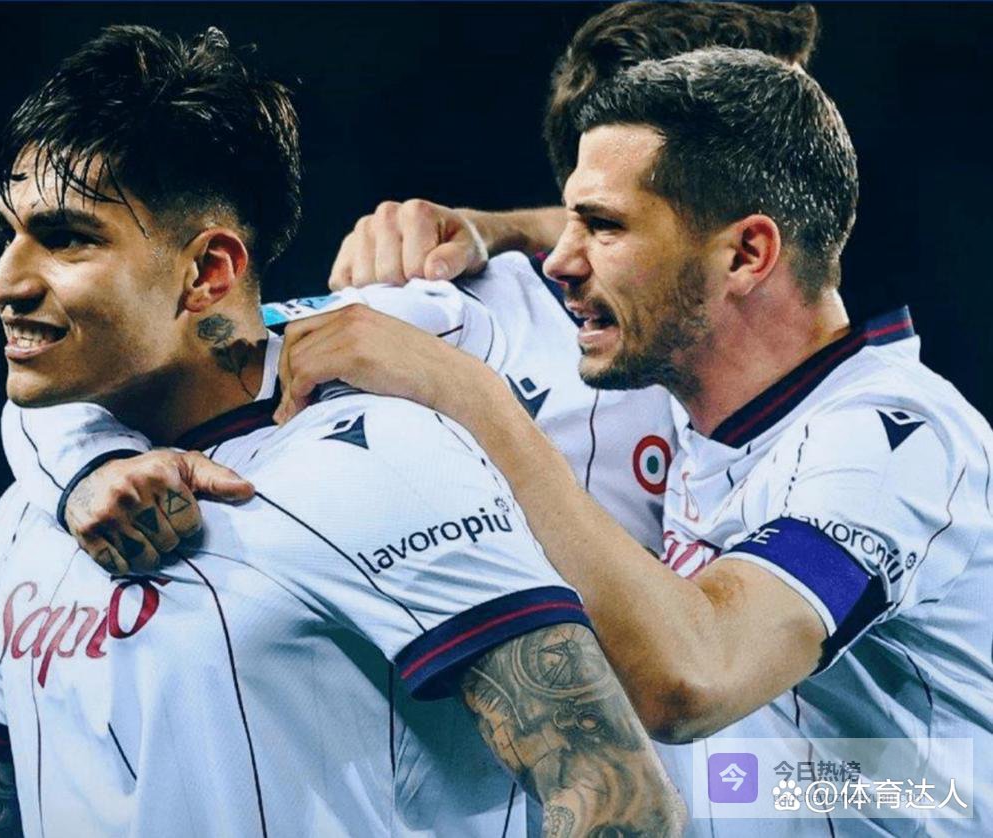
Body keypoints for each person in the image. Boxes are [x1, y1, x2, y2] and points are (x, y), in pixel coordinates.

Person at [0, 24, 682, 838]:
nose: (4, 283)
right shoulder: (32, 511)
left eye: (67, 239)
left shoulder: (381, 460)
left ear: (207, 272)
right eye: (9, 235)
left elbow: (621, 804)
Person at [280, 48, 993, 835]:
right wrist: (494, 228)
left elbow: (695, 678)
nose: (560, 261)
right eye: (571, 221)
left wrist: (472, 398)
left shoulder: (892, 445)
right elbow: (676, 227)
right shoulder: (708, 385)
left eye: (601, 226)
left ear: (747, 255)